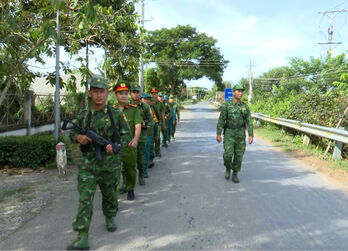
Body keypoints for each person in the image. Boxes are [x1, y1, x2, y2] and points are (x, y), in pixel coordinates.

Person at [67, 77, 131, 250]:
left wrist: (116, 147)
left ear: (107, 93)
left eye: (101, 91)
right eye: (94, 91)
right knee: (85, 199)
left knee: (110, 195)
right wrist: (78, 137)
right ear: (89, 93)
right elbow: (72, 133)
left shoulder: (116, 114)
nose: (98, 95)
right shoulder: (83, 115)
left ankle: (110, 216)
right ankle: (82, 236)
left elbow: (126, 135)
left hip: (110, 164)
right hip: (87, 164)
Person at [216, 84, 254, 183]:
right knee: (228, 155)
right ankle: (228, 168)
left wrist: (251, 135)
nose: (240, 93)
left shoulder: (245, 107)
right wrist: (219, 134)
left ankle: (235, 174)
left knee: (239, 155)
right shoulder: (227, 106)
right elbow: (221, 120)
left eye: (241, 91)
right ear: (233, 93)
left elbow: (249, 121)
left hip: (241, 134)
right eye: (238, 91)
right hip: (229, 133)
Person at [114, 82, 142, 200]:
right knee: (114, 173)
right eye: (121, 93)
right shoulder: (111, 110)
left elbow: (138, 125)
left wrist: (135, 139)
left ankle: (130, 189)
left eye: (126, 93)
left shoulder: (133, 110)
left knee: (131, 170)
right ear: (116, 95)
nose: (124, 96)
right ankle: (113, 197)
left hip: (129, 146)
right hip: (115, 146)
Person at [130, 84, 154, 184]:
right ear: (130, 93)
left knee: (141, 158)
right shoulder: (126, 106)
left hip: (141, 137)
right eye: (133, 92)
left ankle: (141, 175)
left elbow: (152, 122)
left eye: (137, 92)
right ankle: (127, 182)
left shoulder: (145, 107)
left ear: (140, 94)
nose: (136, 94)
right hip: (128, 138)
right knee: (128, 161)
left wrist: (145, 125)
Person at [150, 88, 165, 157]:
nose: (154, 95)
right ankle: (152, 153)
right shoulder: (148, 102)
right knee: (151, 138)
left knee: (157, 137)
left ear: (157, 94)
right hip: (150, 124)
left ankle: (157, 150)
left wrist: (163, 124)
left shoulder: (160, 103)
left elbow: (162, 114)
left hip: (158, 123)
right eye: (152, 94)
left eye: (155, 94)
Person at [148, 95, 160, 169]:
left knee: (151, 145)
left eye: (153, 101)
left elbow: (156, 119)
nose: (152, 102)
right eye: (151, 101)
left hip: (152, 128)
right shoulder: (144, 108)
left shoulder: (153, 108)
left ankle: (150, 160)